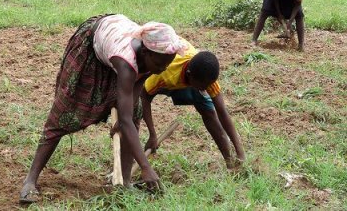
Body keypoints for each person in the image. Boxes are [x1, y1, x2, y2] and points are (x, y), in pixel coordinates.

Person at [19, 14, 187, 203]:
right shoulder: (126, 62)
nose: (163, 69)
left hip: (114, 47)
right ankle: (30, 180)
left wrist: (127, 117)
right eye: (160, 64)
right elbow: (131, 81)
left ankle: (124, 182)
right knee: (64, 113)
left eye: (167, 63)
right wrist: (146, 167)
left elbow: (139, 82)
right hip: (91, 47)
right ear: (146, 52)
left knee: (134, 114)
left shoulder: (153, 60)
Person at [140, 38, 245, 170]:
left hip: (189, 78)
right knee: (135, 110)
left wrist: (240, 151)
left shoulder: (205, 77)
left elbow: (222, 112)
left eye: (208, 85)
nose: (206, 89)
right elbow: (144, 97)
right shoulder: (164, 74)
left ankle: (230, 162)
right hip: (170, 76)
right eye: (204, 86)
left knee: (209, 113)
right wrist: (152, 134)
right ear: (190, 76)